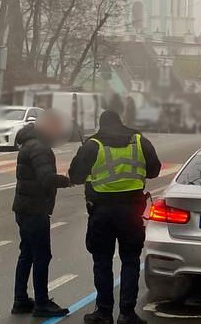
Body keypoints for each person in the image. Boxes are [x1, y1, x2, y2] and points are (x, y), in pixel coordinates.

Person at [69, 110, 161, 324]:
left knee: (102, 262)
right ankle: (127, 313)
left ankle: (103, 313)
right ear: (122, 122)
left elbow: (75, 176)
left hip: (101, 212)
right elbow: (154, 170)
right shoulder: (139, 141)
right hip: (131, 211)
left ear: (101, 125)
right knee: (130, 261)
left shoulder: (93, 144)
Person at [11, 110, 72, 317]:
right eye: (56, 127)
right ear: (48, 126)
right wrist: (67, 180)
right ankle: (42, 303)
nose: (58, 132)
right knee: (41, 256)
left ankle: (20, 300)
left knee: (27, 254)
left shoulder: (30, 143)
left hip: (24, 207)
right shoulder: (39, 147)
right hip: (34, 209)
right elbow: (46, 178)